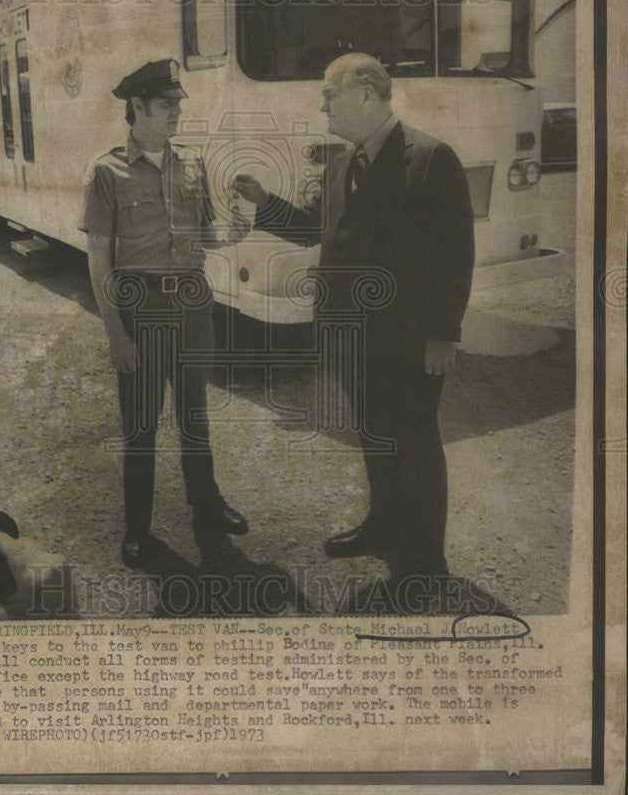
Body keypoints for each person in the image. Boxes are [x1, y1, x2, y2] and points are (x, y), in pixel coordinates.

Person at [233, 53, 475, 595]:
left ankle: (425, 560)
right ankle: (383, 526)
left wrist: (445, 332)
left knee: (413, 442)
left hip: (409, 338)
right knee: (372, 434)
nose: (321, 104)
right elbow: (316, 231)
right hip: (349, 335)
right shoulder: (343, 163)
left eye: (328, 94)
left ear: (366, 94)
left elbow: (455, 252)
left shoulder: (432, 158)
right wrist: (264, 202)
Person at [80, 58, 250, 567]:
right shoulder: (106, 171)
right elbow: (98, 259)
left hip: (194, 302)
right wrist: (116, 332)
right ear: (137, 107)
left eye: (179, 103)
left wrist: (238, 227)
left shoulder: (192, 163)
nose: (178, 112)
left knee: (195, 416)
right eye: (167, 104)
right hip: (142, 308)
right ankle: (138, 528)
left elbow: (207, 234)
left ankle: (207, 506)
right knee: (142, 426)